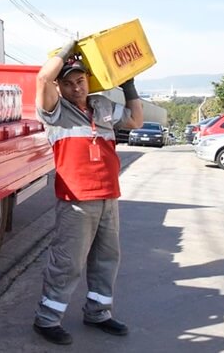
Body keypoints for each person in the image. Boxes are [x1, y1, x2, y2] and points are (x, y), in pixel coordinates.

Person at [32, 40, 144, 346]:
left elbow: (136, 120)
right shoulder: (55, 112)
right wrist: (64, 52)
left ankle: (99, 312)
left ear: (88, 81)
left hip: (109, 196)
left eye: (80, 81)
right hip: (77, 200)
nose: (76, 88)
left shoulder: (102, 106)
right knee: (68, 262)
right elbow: (42, 79)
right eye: (68, 84)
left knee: (107, 258)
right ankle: (47, 319)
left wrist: (130, 86)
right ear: (60, 87)